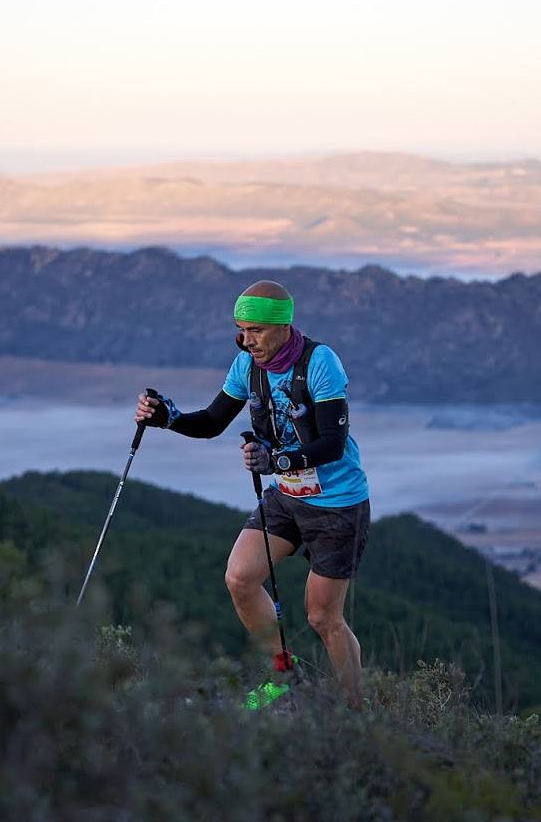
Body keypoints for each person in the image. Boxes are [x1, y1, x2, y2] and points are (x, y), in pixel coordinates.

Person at [134, 280, 371, 704]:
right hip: (285, 496)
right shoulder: (247, 366)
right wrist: (168, 418)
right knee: (240, 579)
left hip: (336, 503)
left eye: (256, 330)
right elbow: (210, 421)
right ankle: (283, 679)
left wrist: (276, 460)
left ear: (283, 326)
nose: (246, 340)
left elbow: (333, 444)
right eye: (241, 329)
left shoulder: (320, 363)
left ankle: (356, 708)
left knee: (322, 616)